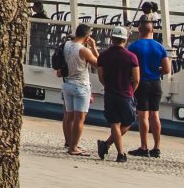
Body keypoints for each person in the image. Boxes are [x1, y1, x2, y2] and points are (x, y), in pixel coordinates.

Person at [126, 20, 170, 158]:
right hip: (155, 82)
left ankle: (144, 146)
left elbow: (129, 67)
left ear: (139, 31)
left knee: (143, 115)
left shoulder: (133, 47)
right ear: (152, 31)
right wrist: (157, 70)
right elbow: (167, 69)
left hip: (141, 82)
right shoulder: (159, 47)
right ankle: (156, 147)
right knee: (155, 115)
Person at [94, 32, 139, 162]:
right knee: (129, 121)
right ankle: (117, 152)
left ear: (112, 39)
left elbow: (101, 77)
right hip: (126, 93)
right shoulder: (131, 57)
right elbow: (136, 79)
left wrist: (108, 85)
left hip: (110, 93)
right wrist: (131, 90)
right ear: (125, 40)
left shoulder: (103, 56)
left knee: (114, 122)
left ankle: (110, 147)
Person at [58, 24, 99, 156]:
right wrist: (93, 48)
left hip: (67, 84)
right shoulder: (83, 50)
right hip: (81, 85)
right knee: (79, 118)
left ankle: (69, 142)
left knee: (68, 116)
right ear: (87, 37)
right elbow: (98, 64)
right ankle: (73, 147)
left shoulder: (66, 45)